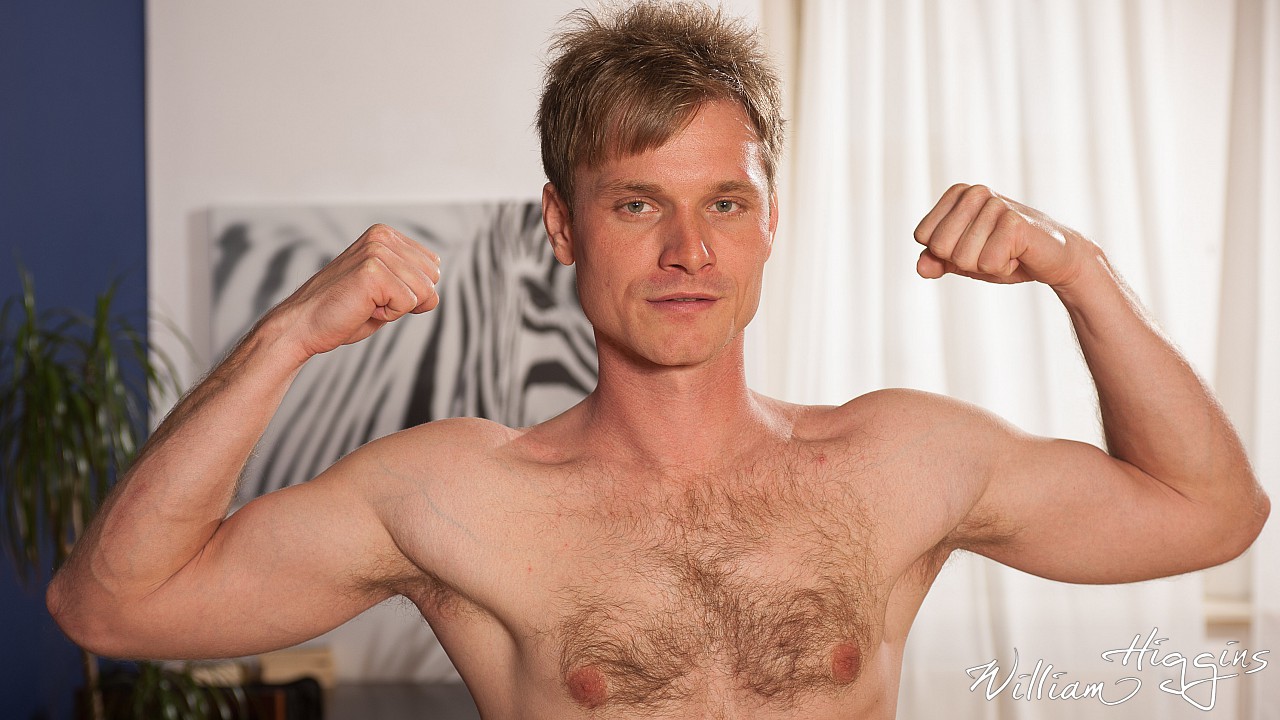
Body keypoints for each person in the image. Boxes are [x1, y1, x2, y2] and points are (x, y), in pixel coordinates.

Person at [47, 2, 1269, 718]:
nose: (689, 250)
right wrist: (285, 339)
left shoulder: (897, 460)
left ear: (770, 220)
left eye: (723, 204)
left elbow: (1210, 513)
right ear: (562, 225)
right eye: (636, 205)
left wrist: (1077, 270)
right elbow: (110, 606)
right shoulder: (454, 494)